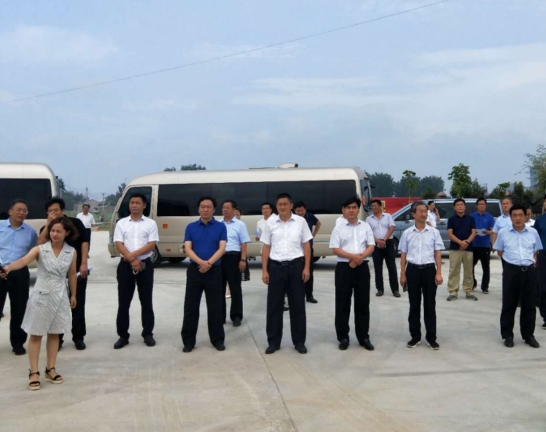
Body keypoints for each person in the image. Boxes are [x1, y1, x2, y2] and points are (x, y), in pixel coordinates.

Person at [1, 217, 78, 390]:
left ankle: (50, 369)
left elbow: (72, 274)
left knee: (55, 334)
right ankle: (34, 372)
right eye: (52, 230)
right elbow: (23, 261)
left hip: (60, 296)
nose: (54, 234)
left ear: (67, 233)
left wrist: (73, 294)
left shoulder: (71, 252)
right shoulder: (40, 249)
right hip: (41, 296)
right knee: (36, 334)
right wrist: (8, 268)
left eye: (59, 231)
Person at [261, 193, 312, 355]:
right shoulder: (270, 222)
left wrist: (306, 268)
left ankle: (299, 342)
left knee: (298, 306)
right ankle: (273, 342)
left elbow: (306, 245)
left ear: (291, 205)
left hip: (296, 267)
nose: (282, 207)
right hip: (276, 267)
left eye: (285, 204)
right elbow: (266, 247)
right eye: (279, 204)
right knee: (274, 306)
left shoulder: (300, 222)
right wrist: (264, 270)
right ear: (276, 207)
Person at [38, 197, 89, 351]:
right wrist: (49, 223)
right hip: (55, 274)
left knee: (77, 303)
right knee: (56, 306)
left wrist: (84, 263)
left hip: (77, 270)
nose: (53, 213)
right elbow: (40, 244)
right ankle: (57, 339)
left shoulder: (76, 223)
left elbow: (84, 242)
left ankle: (78, 337)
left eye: (56, 210)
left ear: (63, 211)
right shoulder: (48, 228)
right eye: (50, 211)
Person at [113, 193, 159, 349]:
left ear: (144, 205)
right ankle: (123, 335)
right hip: (126, 266)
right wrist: (132, 259)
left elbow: (151, 245)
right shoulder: (122, 223)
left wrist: (134, 256)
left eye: (137, 203)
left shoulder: (150, 223)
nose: (134, 205)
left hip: (145, 266)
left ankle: (148, 334)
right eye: (132, 202)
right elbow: (118, 243)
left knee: (146, 301)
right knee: (123, 302)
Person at [181, 196, 227, 352]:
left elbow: (222, 248)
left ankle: (217, 340)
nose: (205, 209)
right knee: (191, 307)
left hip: (214, 271)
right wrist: (201, 263)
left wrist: (208, 264)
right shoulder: (191, 227)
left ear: (214, 210)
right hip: (195, 271)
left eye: (208, 207)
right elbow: (188, 249)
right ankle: (188, 342)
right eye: (202, 206)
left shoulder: (220, 227)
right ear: (198, 209)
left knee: (215, 307)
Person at [329, 196, 375, 351]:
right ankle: (343, 337)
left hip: (362, 267)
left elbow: (371, 246)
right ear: (343, 210)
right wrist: (353, 257)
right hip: (344, 268)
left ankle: (363, 337)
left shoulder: (365, 226)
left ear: (358, 209)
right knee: (342, 303)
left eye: (354, 207)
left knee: (363, 303)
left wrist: (359, 258)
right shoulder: (338, 228)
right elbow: (335, 248)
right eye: (348, 207)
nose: (351, 210)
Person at [494, 204, 542, 348]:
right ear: (510, 217)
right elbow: (500, 251)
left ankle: (528, 335)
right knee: (509, 304)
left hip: (529, 271)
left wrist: (531, 263)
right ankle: (508, 335)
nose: (518, 218)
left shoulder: (533, 232)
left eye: (521, 215)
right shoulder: (503, 232)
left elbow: (536, 251)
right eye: (514, 215)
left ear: (526, 216)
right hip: (511, 270)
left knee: (529, 305)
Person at [399, 201, 444, 349]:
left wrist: (438, 272)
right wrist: (403, 274)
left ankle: (431, 337)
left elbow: (437, 253)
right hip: (412, 270)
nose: (424, 214)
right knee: (414, 305)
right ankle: (415, 336)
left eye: (425, 211)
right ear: (413, 214)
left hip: (429, 270)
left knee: (430, 305)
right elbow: (403, 255)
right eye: (421, 211)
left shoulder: (434, 232)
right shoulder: (407, 233)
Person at [0, 199, 38, 355]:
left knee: (19, 309)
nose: (22, 213)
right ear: (10, 211)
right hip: (0, 270)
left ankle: (18, 343)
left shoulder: (30, 232)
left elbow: (32, 253)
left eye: (25, 211)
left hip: (19, 273)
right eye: (19, 209)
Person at [220, 200, 250, 327]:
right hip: (219, 257)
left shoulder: (240, 224)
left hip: (234, 257)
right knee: (218, 289)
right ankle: (220, 316)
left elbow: (244, 243)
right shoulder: (218, 224)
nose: (225, 210)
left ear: (234, 210)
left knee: (235, 288)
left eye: (228, 208)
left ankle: (236, 316)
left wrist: (243, 260)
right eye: (223, 207)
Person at [367, 199, 400, 298]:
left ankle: (395, 289)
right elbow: (368, 232)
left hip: (388, 242)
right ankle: (380, 289)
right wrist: (378, 241)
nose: (373, 208)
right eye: (372, 206)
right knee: (377, 267)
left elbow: (392, 227)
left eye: (375, 206)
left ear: (380, 206)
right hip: (376, 244)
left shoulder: (388, 216)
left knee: (392, 267)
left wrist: (384, 240)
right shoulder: (369, 219)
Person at [446, 198, 478, 301]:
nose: (460, 206)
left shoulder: (471, 219)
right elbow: (450, 234)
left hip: (468, 249)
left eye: (462, 205)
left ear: (465, 207)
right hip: (455, 249)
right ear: (454, 208)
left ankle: (469, 291)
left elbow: (473, 232)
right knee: (454, 271)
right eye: (458, 205)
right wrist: (460, 242)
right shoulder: (451, 219)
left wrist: (467, 242)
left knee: (469, 271)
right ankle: (453, 292)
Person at [294, 201, 321, 304]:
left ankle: (309, 295)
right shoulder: (292, 219)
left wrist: (313, 235)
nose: (300, 213)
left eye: (302, 210)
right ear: (294, 210)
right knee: (295, 273)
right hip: (295, 250)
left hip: (308, 249)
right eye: (298, 211)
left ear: (305, 210)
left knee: (308, 272)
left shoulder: (310, 216)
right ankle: (296, 295)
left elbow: (318, 223)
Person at [470, 198, 495, 294]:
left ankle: (485, 287)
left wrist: (488, 232)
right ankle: (473, 283)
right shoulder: (472, 216)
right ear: (477, 206)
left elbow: (493, 231)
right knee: (470, 266)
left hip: (485, 245)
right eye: (480, 204)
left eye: (483, 204)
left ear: (486, 205)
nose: (482, 206)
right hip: (473, 245)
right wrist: (474, 232)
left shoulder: (490, 217)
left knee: (486, 267)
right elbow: (469, 229)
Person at [532, 195, 546, 331]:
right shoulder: (540, 221)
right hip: (543, 256)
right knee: (543, 288)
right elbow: (534, 241)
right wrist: (534, 257)